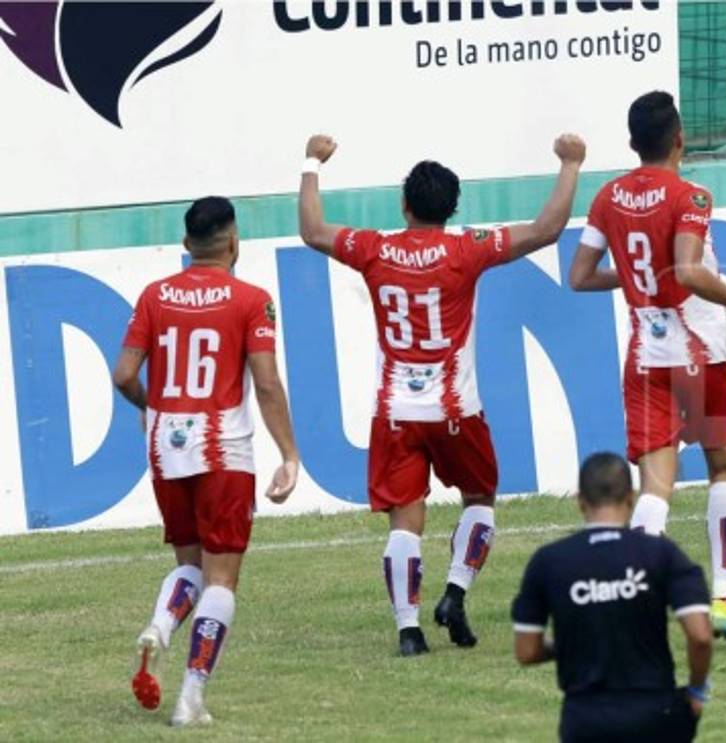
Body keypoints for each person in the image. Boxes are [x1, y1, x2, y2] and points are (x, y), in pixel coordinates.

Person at [297, 132, 587, 656]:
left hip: (396, 414)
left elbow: (313, 230)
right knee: (480, 498)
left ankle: (409, 631)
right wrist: (570, 164)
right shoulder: (465, 249)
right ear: (452, 209)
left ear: (404, 205)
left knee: (405, 522)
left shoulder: (374, 249)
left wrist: (313, 163)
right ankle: (454, 592)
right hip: (456, 410)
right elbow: (548, 230)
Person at [568, 90, 726, 647]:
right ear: (680, 139)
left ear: (633, 143)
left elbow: (580, 276)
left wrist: (634, 280)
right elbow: (687, 270)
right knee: (722, 468)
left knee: (656, 485)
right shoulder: (692, 196)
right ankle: (725, 599)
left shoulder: (608, 196)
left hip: (648, 356)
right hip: (701, 351)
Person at [113, 196, 300, 725]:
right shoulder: (251, 300)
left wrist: (154, 406)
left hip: (165, 446)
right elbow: (265, 383)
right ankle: (190, 697)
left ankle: (160, 623)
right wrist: (289, 453)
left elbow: (124, 375)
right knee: (221, 578)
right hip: (223, 450)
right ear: (234, 241)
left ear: (185, 245)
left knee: (189, 566)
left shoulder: (153, 296)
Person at [512, 452, 713, 742]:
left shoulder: (549, 561)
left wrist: (576, 642)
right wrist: (696, 689)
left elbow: (526, 651)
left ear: (580, 501)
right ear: (631, 499)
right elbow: (701, 636)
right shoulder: (662, 554)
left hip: (585, 721)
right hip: (656, 714)